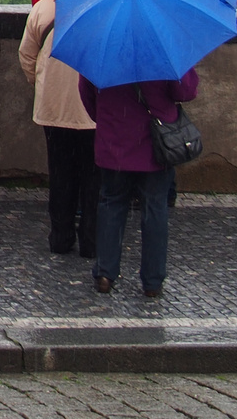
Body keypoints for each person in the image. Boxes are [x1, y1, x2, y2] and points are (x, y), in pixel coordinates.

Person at [79, 68, 199, 297]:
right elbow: (186, 91)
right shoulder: (161, 49)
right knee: (155, 208)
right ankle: (153, 280)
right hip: (155, 144)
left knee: (110, 204)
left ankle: (105, 272)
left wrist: (109, 118)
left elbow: (87, 94)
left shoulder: (104, 49)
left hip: (114, 140)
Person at [18, 0, 97, 257]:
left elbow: (26, 55)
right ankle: (91, 240)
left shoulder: (43, 9)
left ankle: (61, 237)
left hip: (53, 107)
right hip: (92, 111)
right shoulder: (99, 6)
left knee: (61, 174)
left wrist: (41, 83)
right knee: (93, 177)